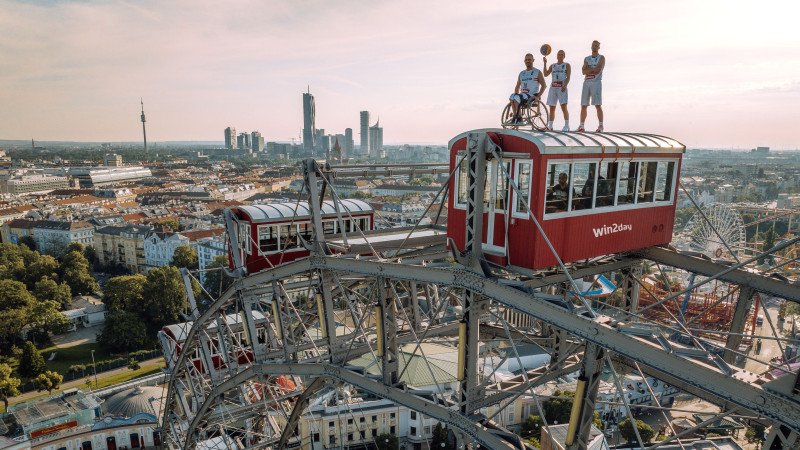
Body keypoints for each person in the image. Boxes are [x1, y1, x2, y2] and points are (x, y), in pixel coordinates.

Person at [577, 40, 605, 132]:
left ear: (599, 47)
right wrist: (591, 69)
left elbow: (598, 70)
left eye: (596, 45)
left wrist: (589, 69)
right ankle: (581, 126)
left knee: (597, 105)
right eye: (593, 45)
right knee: (584, 105)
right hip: (586, 83)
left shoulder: (601, 58)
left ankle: (601, 126)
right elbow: (583, 71)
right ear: (591, 46)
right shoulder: (587, 58)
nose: (594, 46)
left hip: (596, 82)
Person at [509, 53, 546, 123]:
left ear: (533, 60)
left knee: (516, 97)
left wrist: (538, 96)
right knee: (512, 96)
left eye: (529, 59)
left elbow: (544, 85)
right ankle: (515, 115)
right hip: (522, 95)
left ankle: (519, 118)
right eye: (526, 60)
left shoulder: (537, 72)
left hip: (532, 96)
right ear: (524, 61)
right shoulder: (521, 73)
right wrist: (515, 96)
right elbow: (517, 87)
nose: (527, 61)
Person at [543, 50, 571, 131]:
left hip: (562, 87)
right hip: (553, 87)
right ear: (557, 56)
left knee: (563, 106)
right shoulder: (553, 65)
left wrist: (565, 85)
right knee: (552, 107)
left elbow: (568, 77)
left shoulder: (567, 65)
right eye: (559, 54)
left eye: (562, 54)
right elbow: (545, 74)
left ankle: (567, 125)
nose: (560, 55)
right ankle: (550, 126)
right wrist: (545, 63)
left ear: (564, 56)